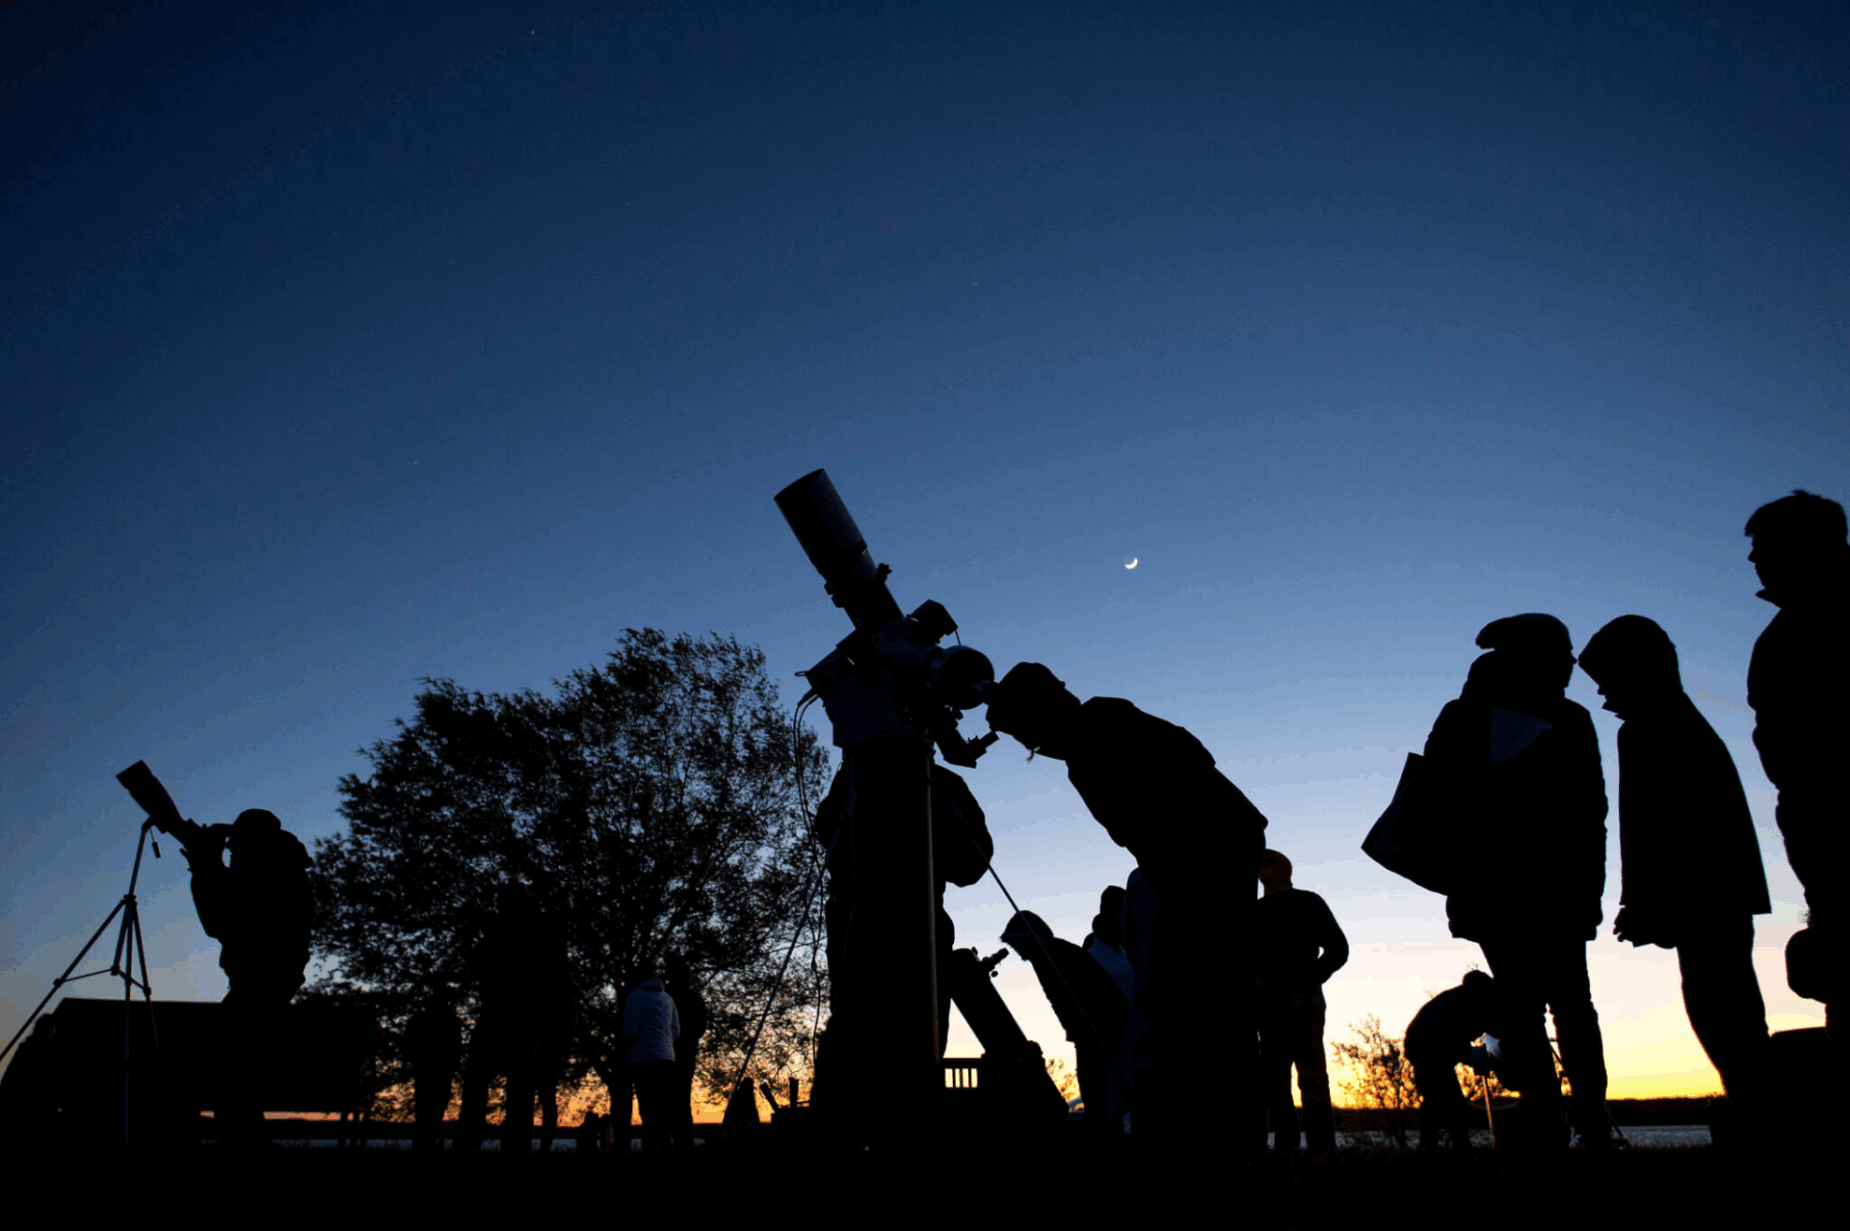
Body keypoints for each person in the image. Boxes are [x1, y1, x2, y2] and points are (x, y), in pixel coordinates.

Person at [985, 663, 1269, 1144]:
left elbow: (1187, 760)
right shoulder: (1087, 746)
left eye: (1028, 738)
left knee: (1212, 992)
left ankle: (1223, 1132)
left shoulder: (1101, 725)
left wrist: (1174, 852)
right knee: (1208, 992)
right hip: (1196, 860)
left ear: (1043, 713)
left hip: (1209, 855)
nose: (1036, 749)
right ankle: (1217, 1129)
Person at [1420, 615, 1609, 1149]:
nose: (1572, 664)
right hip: (1525, 891)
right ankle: (1573, 1124)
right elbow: (1590, 813)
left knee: (1542, 1007)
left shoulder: (1471, 715)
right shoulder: (1553, 718)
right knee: (1557, 1005)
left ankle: (1569, 1124)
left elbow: (1591, 812)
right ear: (1533, 657)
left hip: (1523, 892)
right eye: (1562, 654)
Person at [1578, 616, 1774, 1112]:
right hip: (1717, 892)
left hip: (1705, 893)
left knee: (1718, 1005)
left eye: (1606, 681)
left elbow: (1653, 825)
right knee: (1726, 1002)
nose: (1602, 697)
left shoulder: (1650, 731)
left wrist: (1645, 902)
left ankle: (1760, 1108)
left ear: (1637, 671)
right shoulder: (1680, 724)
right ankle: (1758, 1104)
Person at [1744, 491, 1849, 1033]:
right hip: (1820, 843)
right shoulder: (1781, 637)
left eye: (1763, 548)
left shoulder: (1798, 635)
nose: (1752, 561)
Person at [185, 807, 313, 1146]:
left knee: (230, 1067)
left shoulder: (269, 871)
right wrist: (209, 867)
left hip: (262, 979)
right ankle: (246, 1142)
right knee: (237, 1067)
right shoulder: (280, 867)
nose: (232, 849)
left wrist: (204, 867)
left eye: (235, 844)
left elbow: (220, 921)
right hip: (268, 978)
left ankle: (243, 1144)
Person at [457, 883, 574, 1155]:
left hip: (508, 1017)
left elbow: (476, 965)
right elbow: (560, 980)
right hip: (523, 1021)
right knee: (517, 1092)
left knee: (482, 1086)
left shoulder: (502, 929)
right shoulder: (544, 930)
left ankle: (470, 1146)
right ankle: (512, 1149)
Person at [1001, 909, 1129, 1135]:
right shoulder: (1047, 954)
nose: (1018, 953)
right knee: (1098, 1093)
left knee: (1099, 1093)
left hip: (1100, 1030)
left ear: (1029, 939)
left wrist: (1084, 1030)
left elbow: (1082, 995)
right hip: (1092, 1031)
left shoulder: (1052, 955)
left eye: (1018, 946)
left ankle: (1105, 1134)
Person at [1254, 849, 1348, 1153]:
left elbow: (1338, 948)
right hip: (1269, 1006)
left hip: (1301, 1002)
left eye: (1265, 865)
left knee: (1309, 1075)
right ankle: (1289, 1148)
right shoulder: (1254, 912)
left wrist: (1311, 977)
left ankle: (1320, 1147)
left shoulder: (1307, 901)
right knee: (1277, 1080)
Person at [1404, 971, 1502, 1150]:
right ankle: (1454, 1146)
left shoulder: (1460, 999)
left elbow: (1467, 1038)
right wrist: (1482, 1061)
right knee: (1449, 1103)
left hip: (1423, 1049)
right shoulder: (1464, 1003)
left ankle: (1436, 1145)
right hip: (1426, 1051)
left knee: (1440, 1101)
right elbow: (1456, 1041)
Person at [620, 961, 680, 1152]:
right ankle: (665, 1146)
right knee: (663, 1108)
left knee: (647, 1108)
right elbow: (676, 1030)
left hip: (642, 1059)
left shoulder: (634, 997)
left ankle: (650, 1148)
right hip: (666, 1058)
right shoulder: (668, 999)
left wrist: (623, 1051)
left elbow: (630, 1030)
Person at [661, 954, 708, 1150]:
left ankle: (665, 1144)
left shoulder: (664, 996)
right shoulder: (694, 998)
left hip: (667, 1054)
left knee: (664, 1102)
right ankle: (684, 1145)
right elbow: (701, 1027)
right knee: (681, 1102)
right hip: (685, 1054)